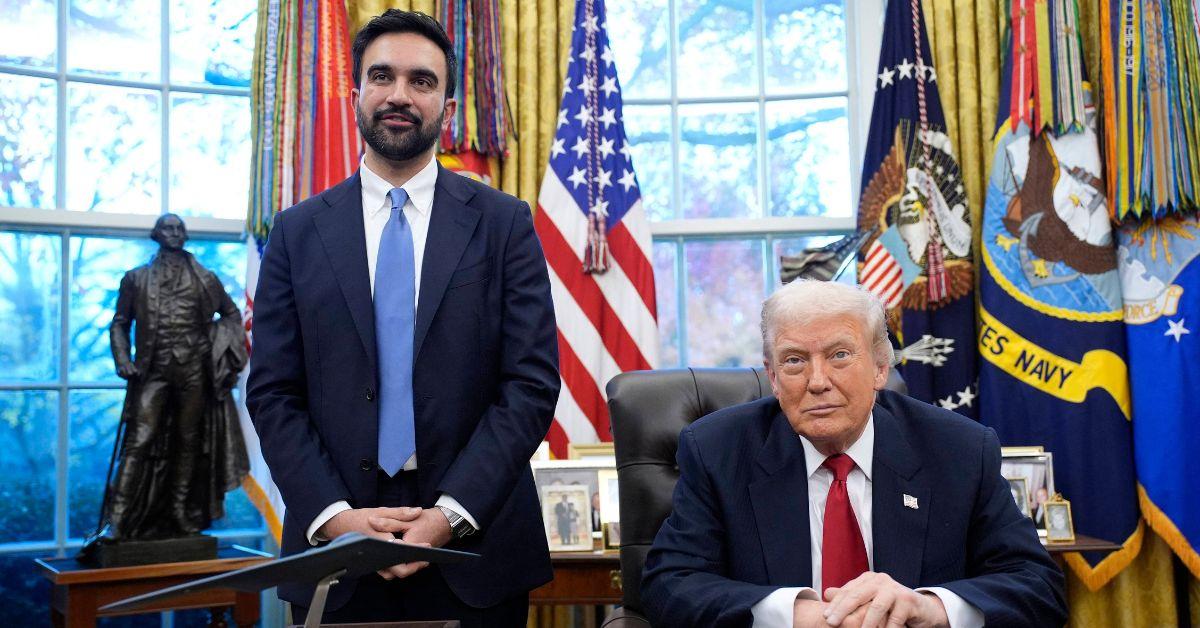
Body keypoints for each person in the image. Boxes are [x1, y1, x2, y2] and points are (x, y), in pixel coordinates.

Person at [245, 9, 559, 626]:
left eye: (422, 81)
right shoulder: (295, 232)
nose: (399, 95)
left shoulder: (504, 224)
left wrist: (446, 518)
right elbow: (274, 394)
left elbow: (529, 385)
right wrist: (337, 519)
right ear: (356, 91)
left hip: (476, 547)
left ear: (447, 102)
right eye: (382, 76)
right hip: (335, 557)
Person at [641, 280, 1066, 628]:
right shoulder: (717, 450)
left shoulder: (960, 450)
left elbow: (1037, 587)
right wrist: (793, 614)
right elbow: (669, 586)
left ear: (881, 367)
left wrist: (928, 608)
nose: (818, 381)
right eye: (793, 361)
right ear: (772, 377)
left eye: (839, 355)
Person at [95, 214, 248, 543]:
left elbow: (232, 314)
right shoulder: (136, 279)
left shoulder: (205, 279)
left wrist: (216, 341)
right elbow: (119, 323)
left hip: (193, 372)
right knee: (139, 440)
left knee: (188, 442)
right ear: (156, 234)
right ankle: (117, 520)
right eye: (169, 228)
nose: (175, 233)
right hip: (153, 371)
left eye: (180, 229)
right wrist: (122, 359)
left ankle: (181, 512)